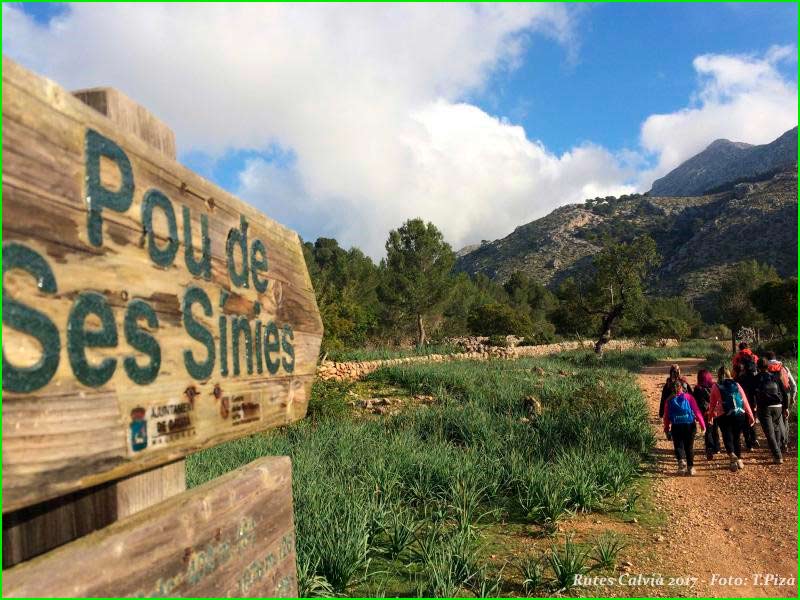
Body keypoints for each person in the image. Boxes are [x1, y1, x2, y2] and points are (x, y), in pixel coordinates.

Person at [708, 366, 755, 472]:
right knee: (737, 437)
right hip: (739, 414)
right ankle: (739, 460)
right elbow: (745, 401)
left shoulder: (716, 386)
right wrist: (750, 415)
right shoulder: (736, 384)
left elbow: (712, 404)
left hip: (724, 415)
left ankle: (732, 456)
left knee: (727, 435)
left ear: (719, 375)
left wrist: (710, 416)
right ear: (729, 374)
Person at [663, 380, 706, 476]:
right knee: (689, 447)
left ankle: (681, 462)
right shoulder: (689, 397)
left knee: (678, 446)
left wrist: (666, 428)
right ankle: (690, 468)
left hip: (676, 425)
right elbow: (697, 411)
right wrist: (703, 425)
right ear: (681, 387)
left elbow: (666, 417)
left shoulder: (669, 400)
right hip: (689, 425)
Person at [754, 357, 789, 464]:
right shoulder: (775, 377)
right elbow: (784, 392)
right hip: (778, 406)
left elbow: (751, 394)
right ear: (767, 366)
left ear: (758, 367)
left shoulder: (756, 378)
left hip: (764, 408)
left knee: (770, 433)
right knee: (776, 428)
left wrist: (753, 408)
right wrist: (785, 407)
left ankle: (777, 455)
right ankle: (777, 450)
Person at [766, 350, 797, 450]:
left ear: (767, 359)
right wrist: (793, 396)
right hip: (786, 394)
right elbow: (793, 384)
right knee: (785, 418)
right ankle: (785, 443)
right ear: (775, 358)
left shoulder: (765, 368)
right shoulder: (783, 367)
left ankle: (776, 443)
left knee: (775, 420)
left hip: (772, 396)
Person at [694, 369, 720, 460]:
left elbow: (695, 402)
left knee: (708, 430)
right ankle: (717, 448)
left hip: (705, 413)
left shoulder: (698, 388)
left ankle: (709, 447)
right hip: (716, 411)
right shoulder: (714, 386)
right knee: (715, 429)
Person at [734, 360, 760, 451]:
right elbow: (754, 392)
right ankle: (754, 438)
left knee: (744, 424)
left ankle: (749, 444)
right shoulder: (751, 378)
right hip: (751, 403)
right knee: (751, 421)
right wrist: (756, 403)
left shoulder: (735, 381)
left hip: (740, 404)